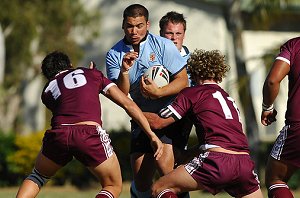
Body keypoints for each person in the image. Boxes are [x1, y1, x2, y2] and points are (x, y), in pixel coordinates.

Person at [16, 51, 163, 198]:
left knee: (37, 176)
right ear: (71, 65)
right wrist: (151, 135)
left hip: (59, 134)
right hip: (88, 133)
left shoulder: (47, 90)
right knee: (113, 185)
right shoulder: (92, 74)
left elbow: (68, 101)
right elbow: (128, 104)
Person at [143, 49, 264, 198]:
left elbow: (158, 122)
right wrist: (187, 154)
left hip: (217, 162)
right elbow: (222, 141)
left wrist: (129, 106)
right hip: (244, 163)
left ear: (194, 72)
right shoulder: (228, 99)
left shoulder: (192, 93)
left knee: (159, 188)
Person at [105, 4, 189, 197]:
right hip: (141, 117)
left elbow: (183, 80)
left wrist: (159, 92)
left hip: (168, 116)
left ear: (148, 25)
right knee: (141, 180)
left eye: (139, 26)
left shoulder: (163, 45)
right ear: (123, 25)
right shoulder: (114, 54)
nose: (134, 31)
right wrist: (124, 71)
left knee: (167, 173)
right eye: (130, 26)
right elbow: (120, 94)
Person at [261, 37, 300, 198]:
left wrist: (267, 108)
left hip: (297, 126)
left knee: (275, 179)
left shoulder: (295, 46)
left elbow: (272, 81)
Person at [159, 11, 194, 167]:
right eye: (169, 33)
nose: (174, 38)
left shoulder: (193, 62)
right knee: (142, 177)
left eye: (178, 33)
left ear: (184, 35)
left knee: (173, 167)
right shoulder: (151, 57)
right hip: (152, 114)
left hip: (181, 119)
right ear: (161, 34)